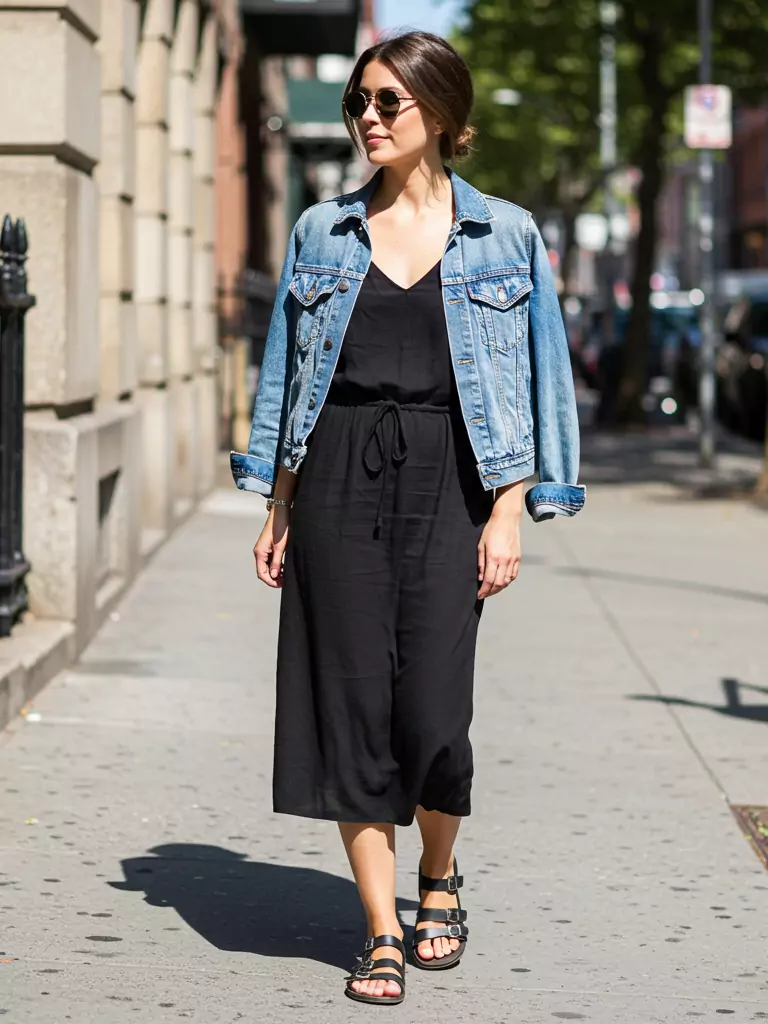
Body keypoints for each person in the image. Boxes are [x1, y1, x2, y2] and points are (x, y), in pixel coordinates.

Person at [231, 30, 585, 1007]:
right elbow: (282, 373)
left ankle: (440, 874)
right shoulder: (320, 233)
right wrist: (278, 497)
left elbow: (542, 378)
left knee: (433, 713)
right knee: (346, 705)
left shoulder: (505, 235)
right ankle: (382, 927)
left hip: (452, 478)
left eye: (390, 102)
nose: (370, 120)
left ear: (440, 112)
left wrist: (513, 507)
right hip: (338, 472)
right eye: (360, 104)